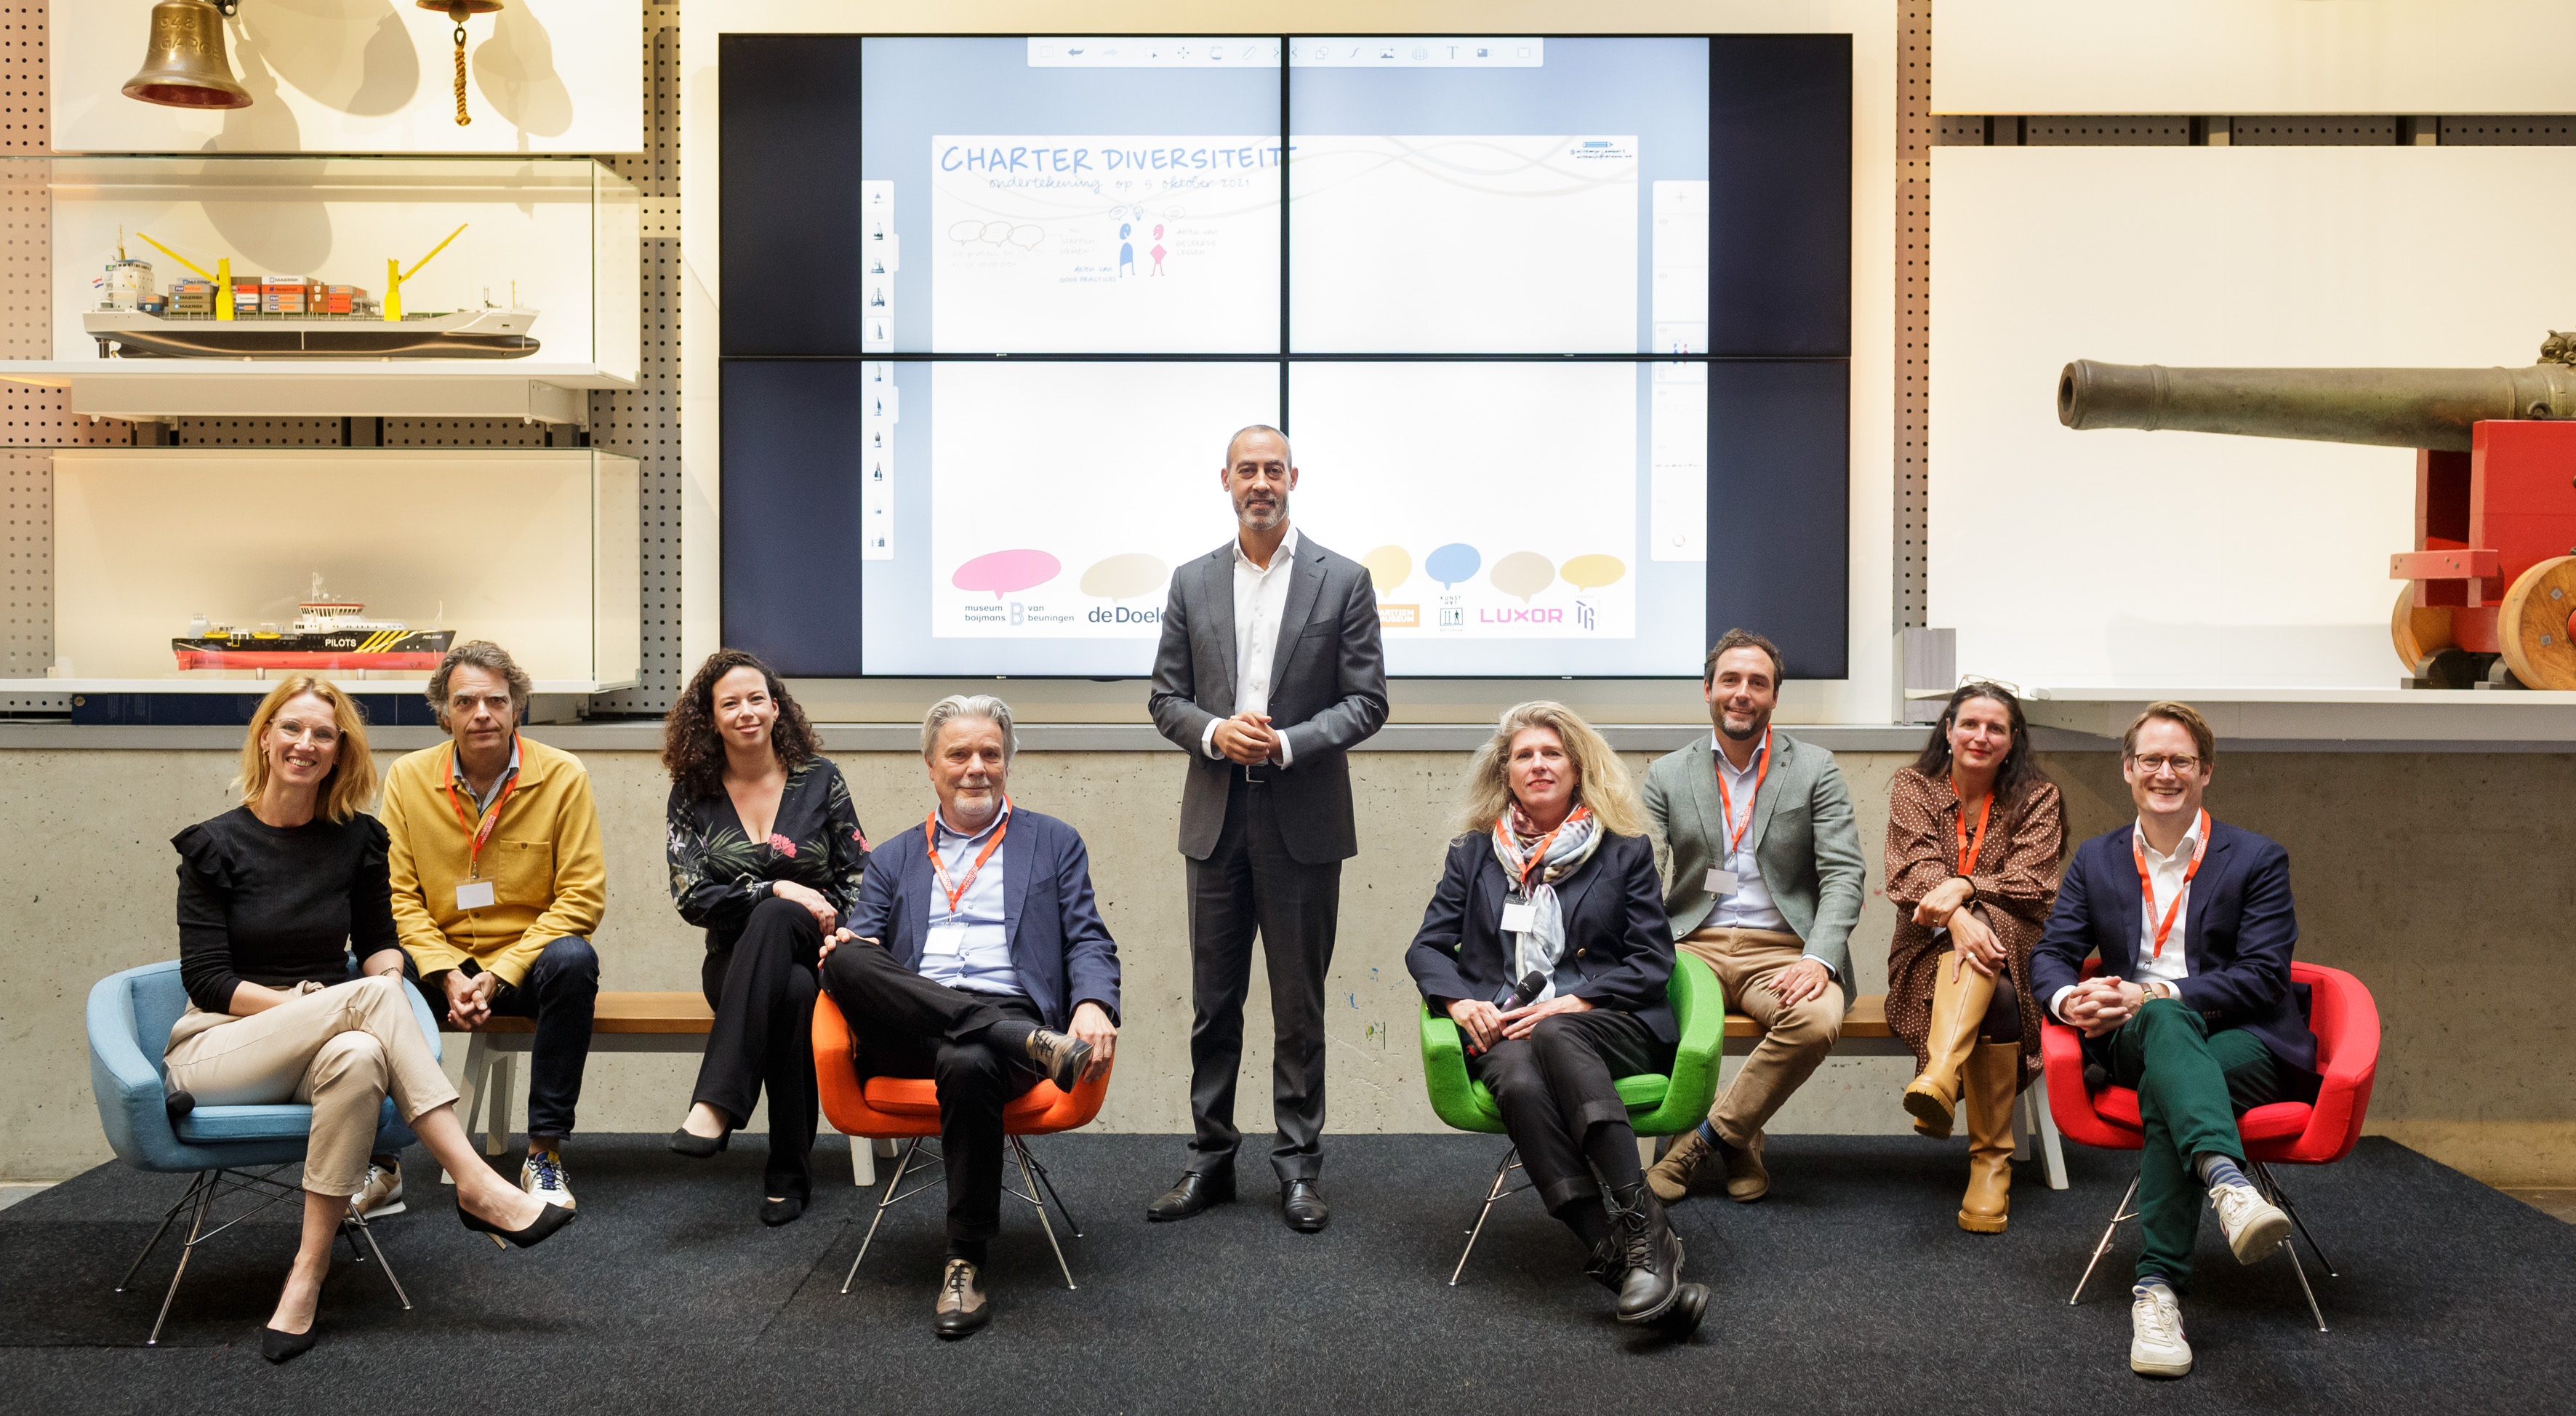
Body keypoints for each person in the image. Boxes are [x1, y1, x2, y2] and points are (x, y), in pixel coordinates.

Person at [164, 678, 574, 1363]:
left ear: (339, 752)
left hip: (324, 1045)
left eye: (323, 735)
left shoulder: (356, 840)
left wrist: (373, 987)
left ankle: (307, 1273)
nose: (305, 744)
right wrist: (326, 1005)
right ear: (264, 738)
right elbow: (207, 980)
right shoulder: (213, 845)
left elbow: (381, 941)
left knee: (360, 1052)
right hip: (219, 1048)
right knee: (372, 1001)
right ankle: (474, 1182)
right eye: (291, 728)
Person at [1144, 423, 1389, 1232]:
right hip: (1216, 819)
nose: (1260, 483)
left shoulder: (1342, 580)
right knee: (1214, 1005)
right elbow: (1165, 697)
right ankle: (1210, 1159)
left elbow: (1367, 702)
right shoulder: (1191, 581)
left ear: (1293, 478)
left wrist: (1285, 742)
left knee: (1299, 1008)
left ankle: (1298, 1167)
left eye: (1273, 470)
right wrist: (1217, 732)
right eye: (1246, 469)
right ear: (1224, 480)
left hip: (1302, 819)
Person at [2031, 701, 2316, 1380]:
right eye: (2151, 759)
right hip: (2131, 1036)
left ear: (2205, 771)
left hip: (2243, 1040)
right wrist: (2071, 1000)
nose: (2165, 772)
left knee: (2167, 1064)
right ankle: (2228, 1184)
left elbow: (2263, 974)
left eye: (2180, 760)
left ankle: (2155, 1292)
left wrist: (2153, 992)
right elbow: (2051, 954)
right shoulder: (2097, 858)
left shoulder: (2256, 857)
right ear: (2128, 769)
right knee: (2159, 1026)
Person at [1406, 703, 1710, 1336]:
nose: (1538, 764)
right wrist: (1460, 1002)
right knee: (1518, 1080)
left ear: (1577, 768)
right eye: (1524, 755)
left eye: (1552, 753)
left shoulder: (1624, 851)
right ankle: (1620, 1259)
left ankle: (1638, 1224)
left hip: (1610, 1023)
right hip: (1507, 1028)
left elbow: (1653, 960)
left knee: (1552, 1029)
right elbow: (1427, 947)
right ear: (1506, 772)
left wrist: (1579, 1000)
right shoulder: (1473, 854)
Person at [820, 695, 1119, 1337]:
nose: (976, 767)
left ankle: (964, 1259)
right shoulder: (893, 856)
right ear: (931, 766)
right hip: (913, 1022)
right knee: (841, 957)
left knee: (967, 1057)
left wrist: (1093, 1002)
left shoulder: (1054, 841)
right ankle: (1023, 1040)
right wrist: (849, 951)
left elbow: (1088, 938)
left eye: (990, 752)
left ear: (1007, 762)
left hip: (1004, 1015)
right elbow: (863, 947)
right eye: (958, 754)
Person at [380, 641, 606, 1211]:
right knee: (373, 974)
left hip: (527, 964)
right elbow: (398, 898)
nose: (482, 713)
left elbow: (581, 896)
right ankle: (381, 1162)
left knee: (574, 960)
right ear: (444, 712)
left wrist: (500, 974)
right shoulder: (408, 778)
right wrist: (447, 973)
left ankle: (544, 1154)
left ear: (516, 707)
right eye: (465, 701)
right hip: (441, 963)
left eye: (496, 701)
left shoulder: (562, 775)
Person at [1642, 628, 1865, 1204]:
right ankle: (1741, 1139)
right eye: (1730, 680)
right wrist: (1645, 948)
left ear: (1773, 697)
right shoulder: (1666, 774)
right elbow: (1641, 876)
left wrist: (1818, 958)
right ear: (1708, 689)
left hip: (1784, 949)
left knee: (1815, 1019)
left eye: (1757, 683)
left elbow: (1844, 873)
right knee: (1642, 1008)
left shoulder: (1814, 768)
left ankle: (1700, 1142)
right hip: (1693, 944)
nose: (1742, 692)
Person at [662, 649, 870, 1225]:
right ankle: (787, 1175)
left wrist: (826, 920)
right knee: (793, 992)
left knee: (783, 925)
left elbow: (859, 876)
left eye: (757, 698)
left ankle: (717, 1102)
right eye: (730, 703)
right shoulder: (692, 792)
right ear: (710, 718)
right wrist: (775, 888)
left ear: (777, 708)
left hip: (819, 941)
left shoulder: (820, 778)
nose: (746, 711)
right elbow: (690, 897)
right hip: (732, 962)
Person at [1883, 681, 2066, 1233]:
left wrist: (1964, 889)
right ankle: (1991, 1164)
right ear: (1948, 730)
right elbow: (1910, 873)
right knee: (1995, 987)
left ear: (2013, 740)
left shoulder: (2038, 797)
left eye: (1995, 728)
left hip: (2012, 948)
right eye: (1969, 724)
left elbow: (2033, 883)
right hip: (1924, 951)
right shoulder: (1913, 785)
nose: (1980, 736)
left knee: (1997, 966)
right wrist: (1959, 918)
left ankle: (1941, 1073)